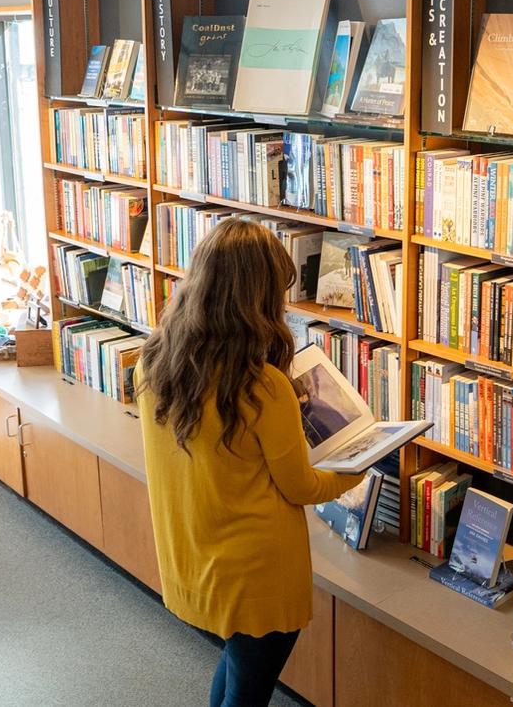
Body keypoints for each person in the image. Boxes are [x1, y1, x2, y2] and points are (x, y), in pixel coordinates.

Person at [137, 219, 365, 707]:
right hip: (257, 571)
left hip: (195, 553)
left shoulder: (156, 360)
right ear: (254, 296)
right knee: (249, 689)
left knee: (238, 668)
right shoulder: (261, 385)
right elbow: (301, 487)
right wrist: (358, 469)